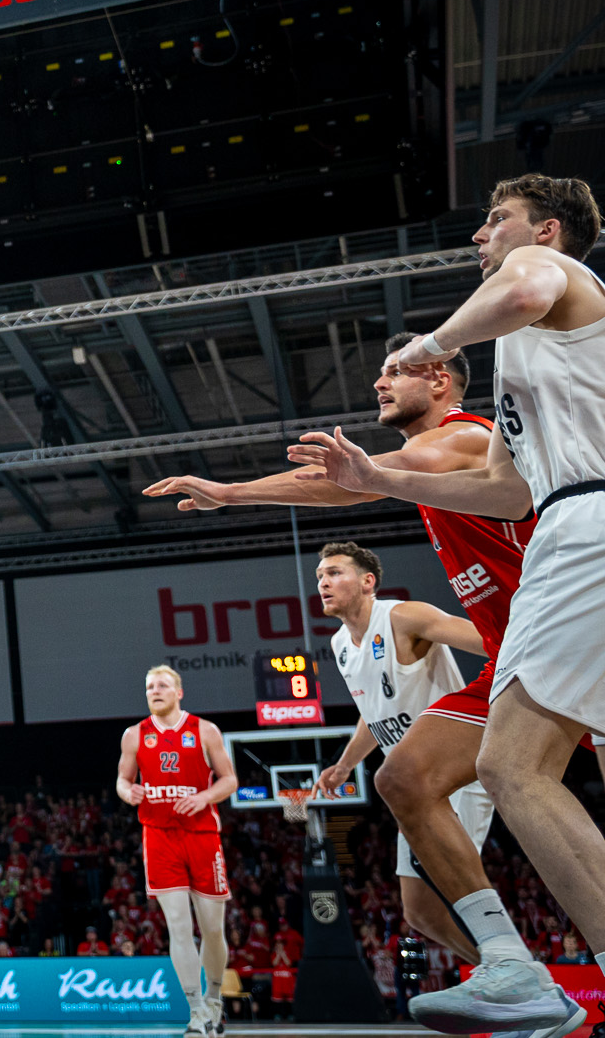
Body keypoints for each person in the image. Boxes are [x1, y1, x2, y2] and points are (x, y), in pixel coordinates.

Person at [144, 329, 567, 993]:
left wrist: (231, 492)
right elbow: (378, 708)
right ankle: (517, 973)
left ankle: (532, 976)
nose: (379, 382)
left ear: (440, 380)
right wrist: (343, 764)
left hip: (554, 643)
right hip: (517, 659)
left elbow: (349, 486)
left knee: (453, 786)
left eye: (396, 370)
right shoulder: (346, 638)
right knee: (413, 860)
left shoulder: (463, 437)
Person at [289, 174, 604, 1036]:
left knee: (513, 767)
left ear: (545, 229)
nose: (480, 235)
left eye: (495, 220)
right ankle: (516, 970)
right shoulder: (529, 361)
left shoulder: (544, 273)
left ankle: (522, 972)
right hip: (566, 520)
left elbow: (522, 288)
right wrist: (378, 477)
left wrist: (428, 342)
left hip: (584, 530)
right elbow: (507, 491)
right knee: (470, 774)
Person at [311, 542, 500, 957]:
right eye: (320, 576)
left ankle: (517, 969)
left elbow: (494, 642)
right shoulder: (340, 644)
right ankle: (501, 970)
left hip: (454, 773)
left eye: (335, 573)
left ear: (367, 582)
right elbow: (374, 714)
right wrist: (344, 765)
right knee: (421, 913)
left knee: (455, 886)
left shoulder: (404, 617)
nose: (324, 582)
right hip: (412, 786)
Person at [118, 666, 236, 1038]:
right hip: (159, 836)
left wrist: (204, 796)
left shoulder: (205, 730)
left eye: (162, 685)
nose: (155, 691)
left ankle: (214, 997)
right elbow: (122, 779)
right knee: (179, 928)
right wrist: (128, 792)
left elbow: (230, 780)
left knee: (212, 930)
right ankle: (196, 1010)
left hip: (202, 835)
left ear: (179, 692)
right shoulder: (134, 735)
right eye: (149, 686)